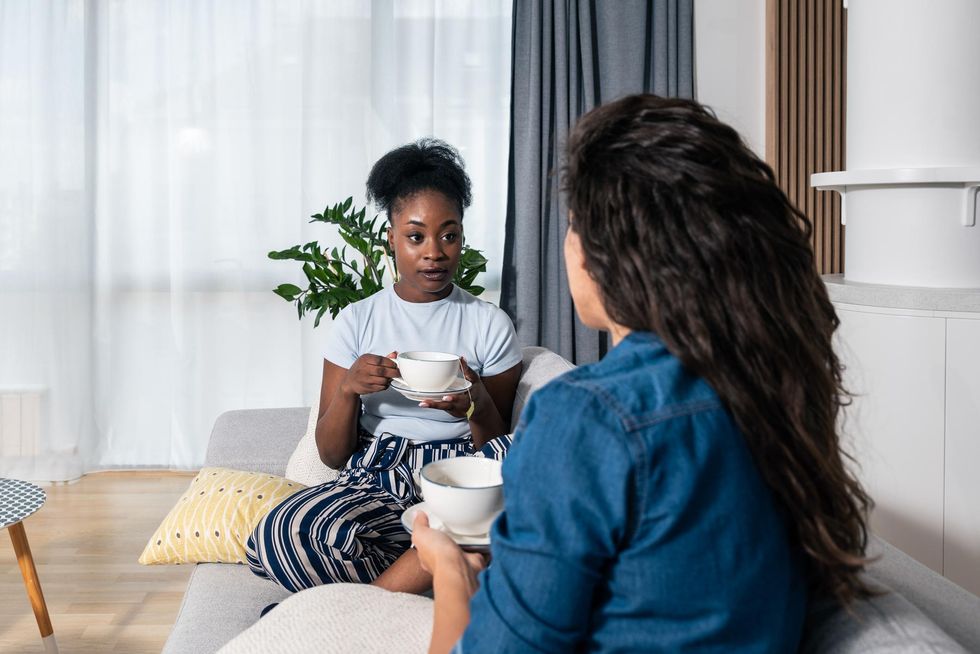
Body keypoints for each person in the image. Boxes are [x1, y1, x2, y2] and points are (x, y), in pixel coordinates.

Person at [412, 95, 874, 653]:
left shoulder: (585, 416)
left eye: (575, 224)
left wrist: (449, 571)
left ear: (613, 254)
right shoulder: (772, 385)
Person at [247, 138, 522, 594]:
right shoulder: (357, 320)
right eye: (416, 236)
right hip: (380, 473)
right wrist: (349, 390)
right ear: (391, 238)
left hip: (461, 477)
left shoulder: (489, 323)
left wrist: (475, 404)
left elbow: (496, 446)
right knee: (278, 536)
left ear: (462, 239)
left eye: (448, 235)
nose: (434, 251)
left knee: (519, 462)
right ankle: (431, 565)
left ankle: (368, 602)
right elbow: (332, 455)